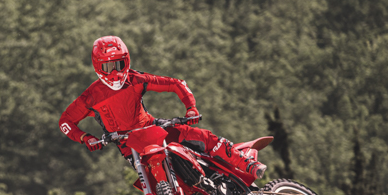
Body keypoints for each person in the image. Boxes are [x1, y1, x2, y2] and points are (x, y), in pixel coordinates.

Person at [58, 36, 265, 184]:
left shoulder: (136, 79)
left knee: (204, 137)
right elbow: (65, 121)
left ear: (126, 61)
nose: (115, 73)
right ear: (97, 67)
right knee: (150, 183)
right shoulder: (91, 96)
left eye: (119, 64)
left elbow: (176, 84)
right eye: (108, 67)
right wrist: (85, 138)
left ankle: (247, 164)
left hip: (154, 130)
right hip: (129, 146)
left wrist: (191, 108)